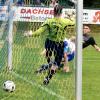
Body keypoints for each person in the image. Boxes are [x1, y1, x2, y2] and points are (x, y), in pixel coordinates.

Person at [25, 5, 75, 85]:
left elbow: (39, 32)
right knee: (56, 64)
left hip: (49, 42)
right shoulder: (66, 21)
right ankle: (48, 78)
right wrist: (71, 17)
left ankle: (49, 62)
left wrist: (31, 34)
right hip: (59, 44)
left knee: (48, 54)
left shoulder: (48, 21)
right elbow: (73, 23)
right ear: (61, 13)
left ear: (53, 12)